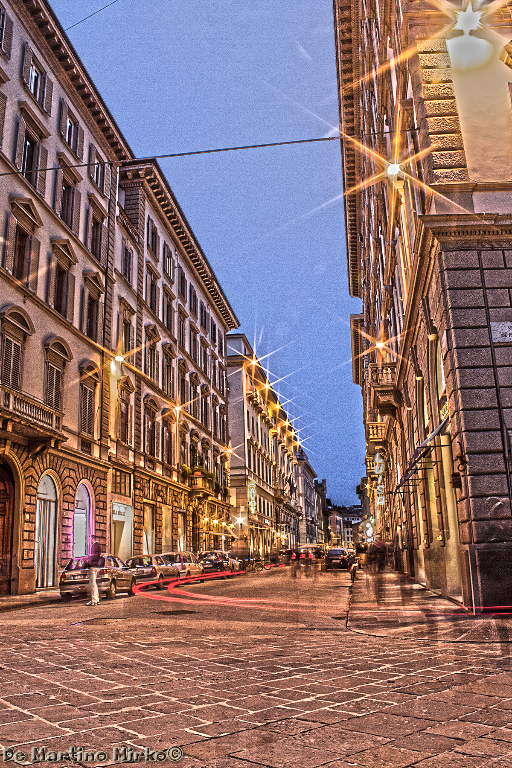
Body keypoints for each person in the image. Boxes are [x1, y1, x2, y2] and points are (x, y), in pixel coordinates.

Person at [86, 542, 102, 606]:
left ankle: (94, 600)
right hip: (96, 568)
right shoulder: (98, 554)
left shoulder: (93, 555)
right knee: (94, 584)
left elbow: (90, 562)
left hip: (92, 568)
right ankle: (96, 599)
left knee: (93, 584)